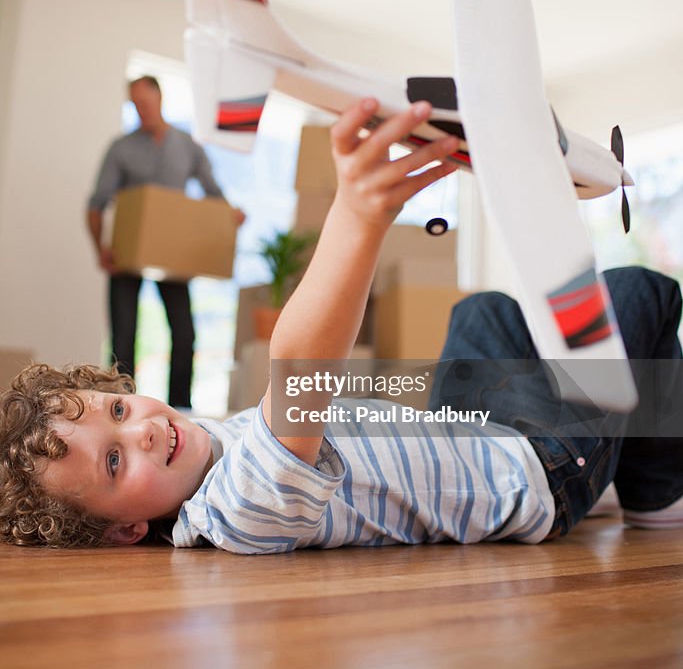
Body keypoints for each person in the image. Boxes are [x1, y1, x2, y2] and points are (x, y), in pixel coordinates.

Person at [2, 98, 681, 550]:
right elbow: (299, 371)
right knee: (638, 291)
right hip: (539, 476)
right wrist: (357, 216)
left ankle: (603, 431)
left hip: (475, 433)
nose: (141, 428)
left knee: (480, 311)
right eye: (114, 461)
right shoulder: (241, 511)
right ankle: (654, 492)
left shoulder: (203, 439)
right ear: (128, 530)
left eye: (117, 407)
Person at [87, 75, 245, 409]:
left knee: (185, 335)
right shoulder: (121, 148)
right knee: (123, 340)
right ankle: (120, 408)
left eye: (145, 103)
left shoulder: (187, 146)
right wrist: (99, 248)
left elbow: (213, 193)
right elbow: (96, 204)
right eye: (135, 105)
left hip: (171, 256)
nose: (141, 110)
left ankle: (180, 409)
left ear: (159, 99)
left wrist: (230, 216)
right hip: (126, 256)